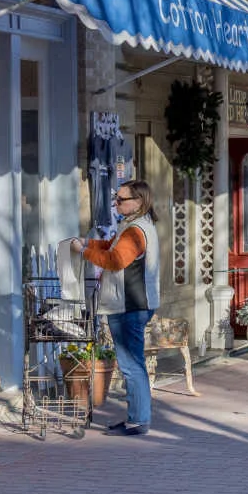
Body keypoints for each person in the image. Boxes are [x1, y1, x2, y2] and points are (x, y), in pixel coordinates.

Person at [71, 179, 159, 436]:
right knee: (133, 363)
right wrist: (87, 245)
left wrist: (84, 252)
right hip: (133, 303)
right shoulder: (136, 226)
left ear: (139, 202)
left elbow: (115, 259)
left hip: (129, 305)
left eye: (121, 200)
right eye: (116, 199)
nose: (116, 203)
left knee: (132, 365)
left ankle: (139, 420)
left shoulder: (134, 230)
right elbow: (111, 247)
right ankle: (136, 417)